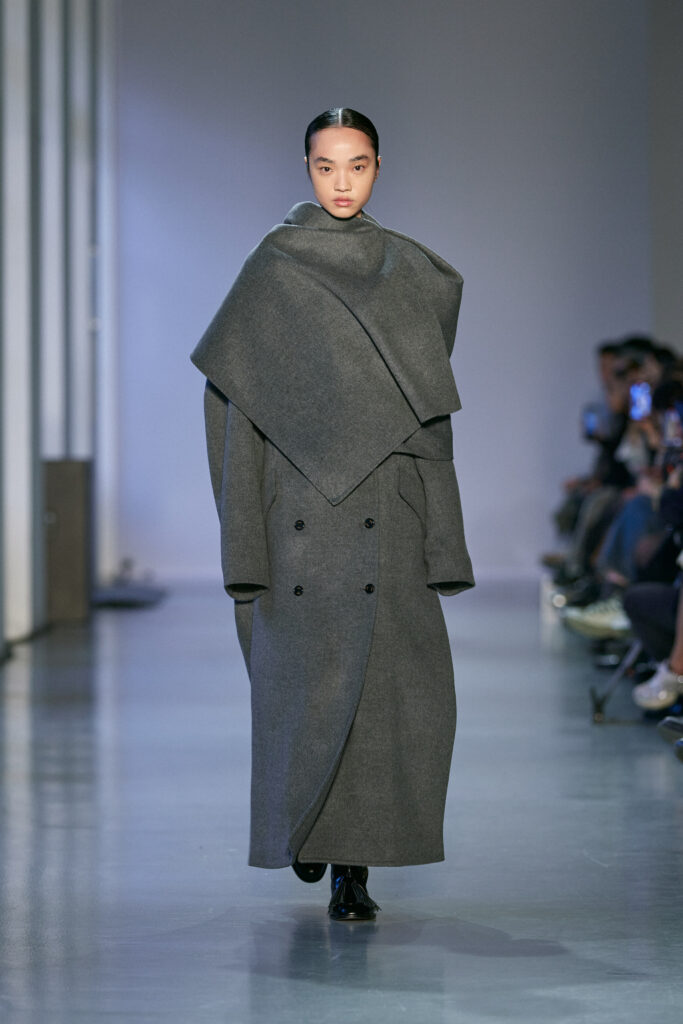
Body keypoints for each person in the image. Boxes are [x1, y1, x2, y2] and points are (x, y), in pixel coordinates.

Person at [191, 108, 474, 922]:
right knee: (303, 695)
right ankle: (306, 824)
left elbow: (427, 418)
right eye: (326, 166)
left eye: (357, 165)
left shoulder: (411, 272)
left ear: (378, 167)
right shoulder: (272, 266)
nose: (342, 182)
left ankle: (353, 867)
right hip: (298, 517)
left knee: (385, 702)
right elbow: (232, 409)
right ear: (306, 169)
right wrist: (243, 534)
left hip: (386, 508)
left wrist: (441, 535)